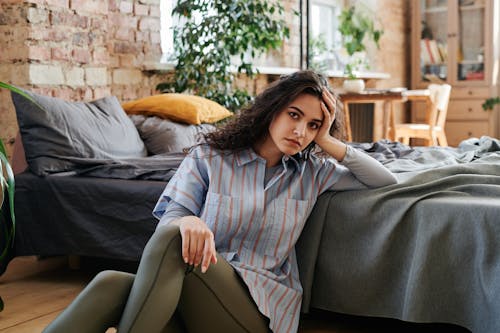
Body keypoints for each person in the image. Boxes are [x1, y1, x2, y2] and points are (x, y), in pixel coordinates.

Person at [43, 70, 397, 333]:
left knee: (169, 243)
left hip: (257, 312)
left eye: (313, 124)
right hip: (195, 293)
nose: (300, 132)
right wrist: (188, 220)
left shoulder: (312, 172)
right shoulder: (212, 157)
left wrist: (327, 140)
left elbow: (384, 179)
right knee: (110, 283)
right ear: (272, 110)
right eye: (294, 115)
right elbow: (174, 215)